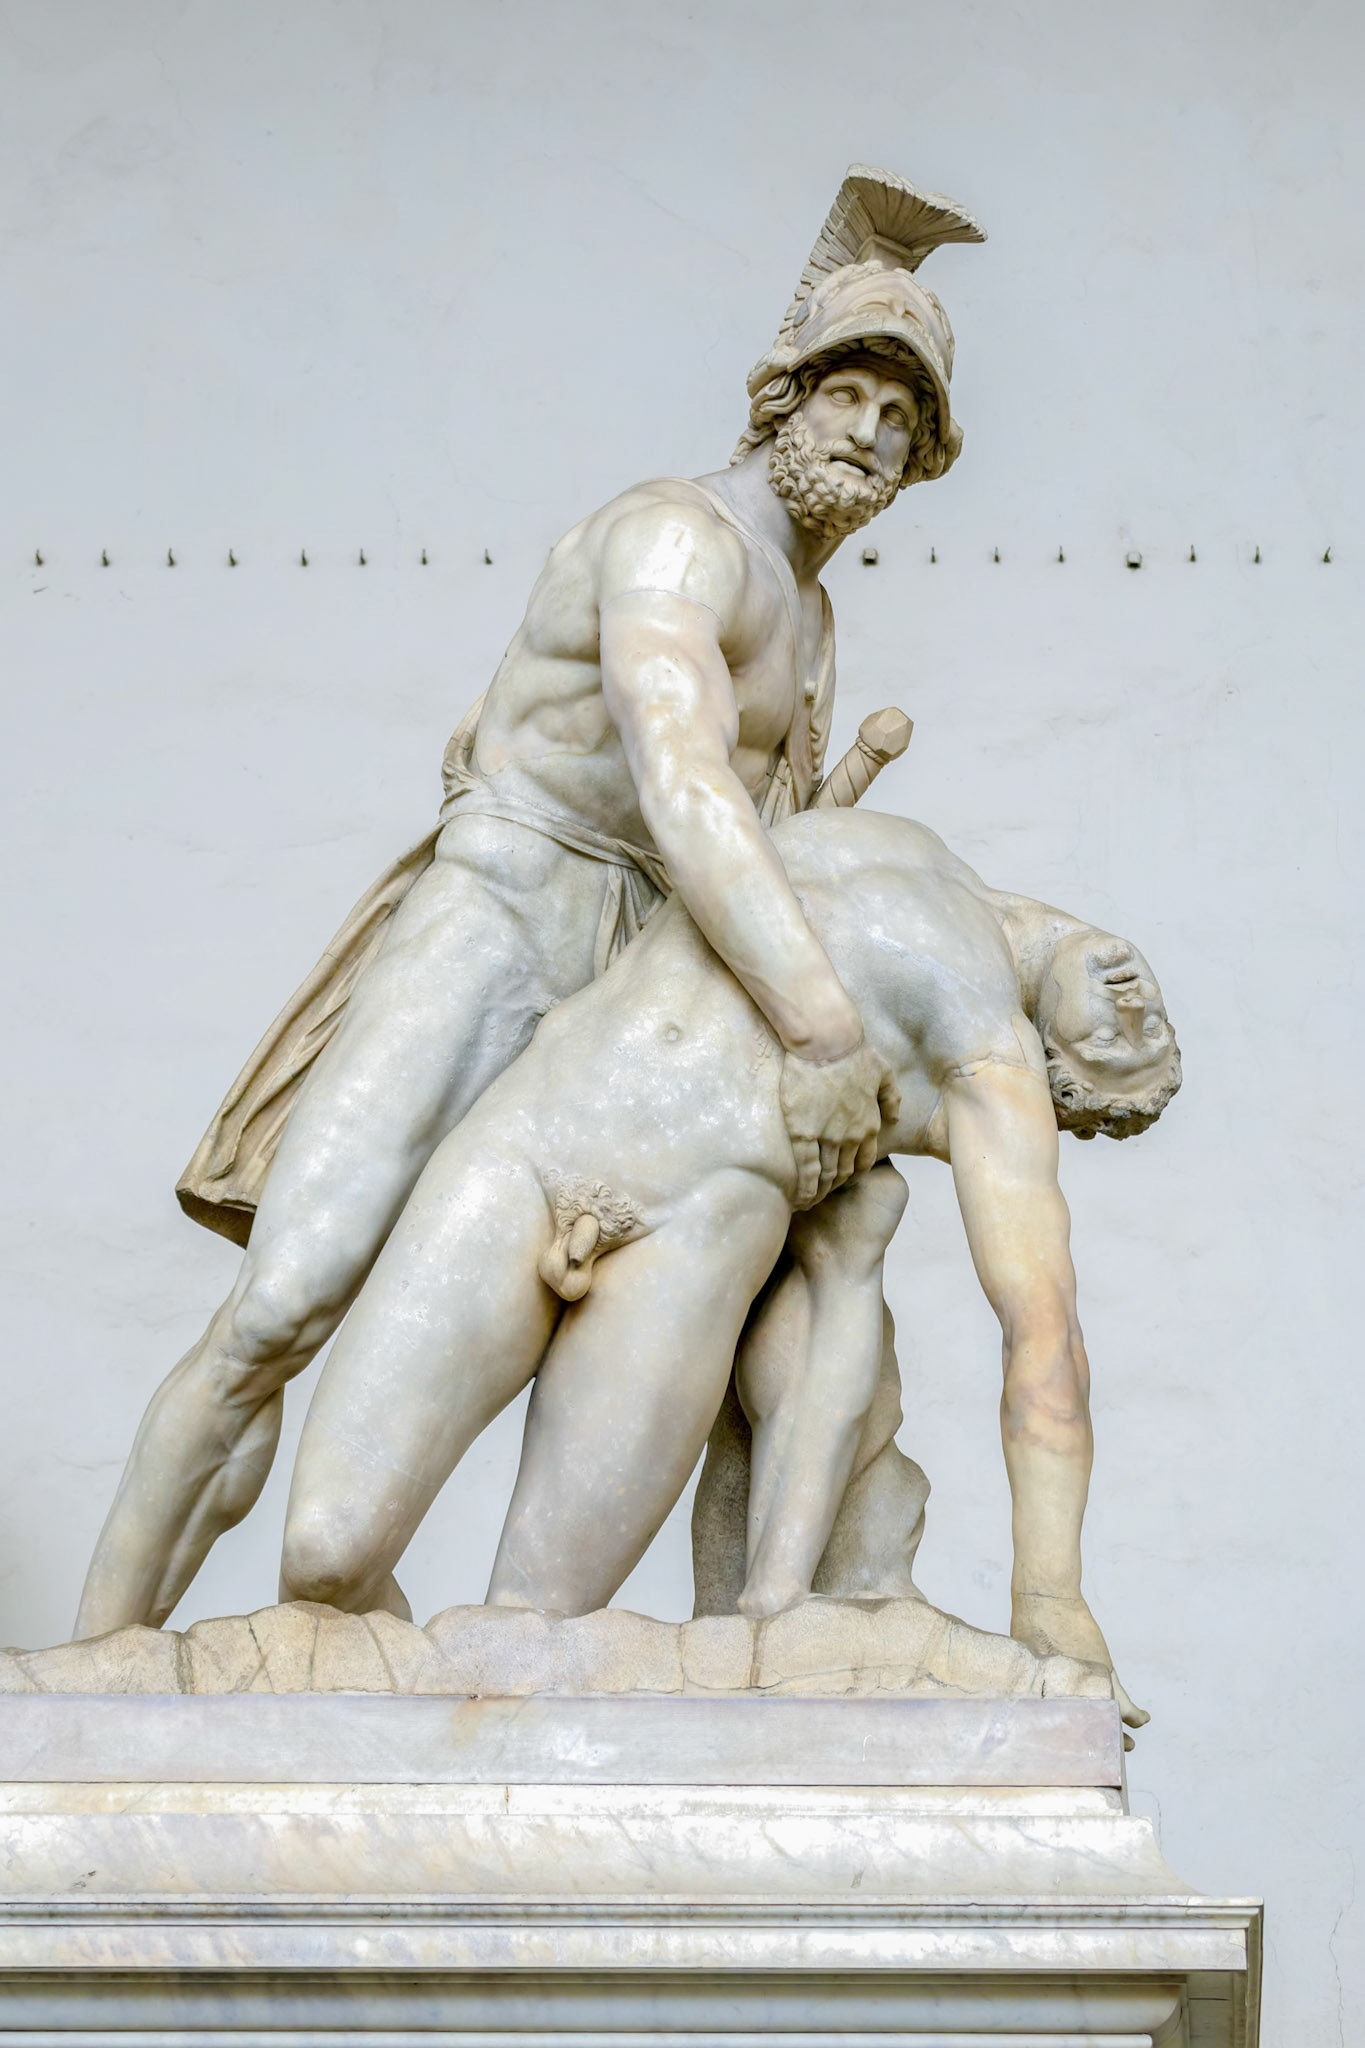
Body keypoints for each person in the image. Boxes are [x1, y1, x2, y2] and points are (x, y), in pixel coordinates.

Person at [74, 167, 983, 1638]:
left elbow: (747, 839)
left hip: (650, 971)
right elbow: (680, 780)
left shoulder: (812, 618)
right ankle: (91, 1662)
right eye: (851, 397)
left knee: (772, 1275)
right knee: (286, 1302)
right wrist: (822, 1025)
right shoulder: (676, 539)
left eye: (903, 423)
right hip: (507, 912)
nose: (871, 439)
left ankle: (764, 1627)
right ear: (783, 394)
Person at [277, 806, 1179, 1726]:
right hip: (531, 1143)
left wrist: (1049, 1599)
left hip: (685, 1247)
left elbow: (1043, 1334)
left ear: (1060, 1074)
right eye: (1154, 1033)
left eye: (1116, 1052)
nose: (1137, 1013)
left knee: (525, 1638)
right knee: (322, 1558)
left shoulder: (991, 1069)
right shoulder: (894, 834)